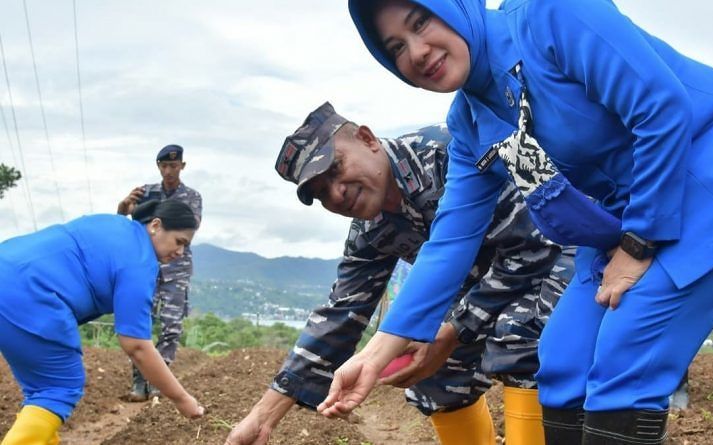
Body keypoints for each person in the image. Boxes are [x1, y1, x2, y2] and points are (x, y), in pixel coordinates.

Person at [321, 1, 713, 444]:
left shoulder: (551, 13)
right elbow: (450, 241)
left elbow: (661, 107)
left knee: (624, 360)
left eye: (420, 21)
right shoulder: (471, 123)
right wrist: (374, 354)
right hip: (622, 215)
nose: (418, 52)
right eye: (396, 48)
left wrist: (638, 244)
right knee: (562, 361)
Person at [224, 102, 573, 445]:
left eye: (335, 169)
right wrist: (262, 417)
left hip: (564, 248)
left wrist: (453, 331)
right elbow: (340, 316)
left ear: (367, 138)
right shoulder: (370, 229)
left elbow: (536, 247)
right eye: (320, 194)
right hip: (491, 285)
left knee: (519, 332)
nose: (336, 193)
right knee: (429, 369)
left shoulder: (448, 153)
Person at [0, 200, 204, 445]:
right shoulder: (140, 263)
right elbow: (137, 346)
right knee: (59, 388)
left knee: (41, 389)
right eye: (179, 241)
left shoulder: (114, 223)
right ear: (156, 225)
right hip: (31, 295)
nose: (181, 252)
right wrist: (182, 399)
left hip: (7, 266)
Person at [117, 144, 202, 401]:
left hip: (176, 269)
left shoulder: (192, 196)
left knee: (171, 327)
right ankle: (138, 382)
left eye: (174, 166)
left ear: (182, 166)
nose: (169, 170)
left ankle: (158, 381)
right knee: (141, 324)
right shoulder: (146, 192)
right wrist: (123, 207)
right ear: (158, 167)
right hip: (147, 266)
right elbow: (129, 223)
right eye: (164, 166)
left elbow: (189, 226)